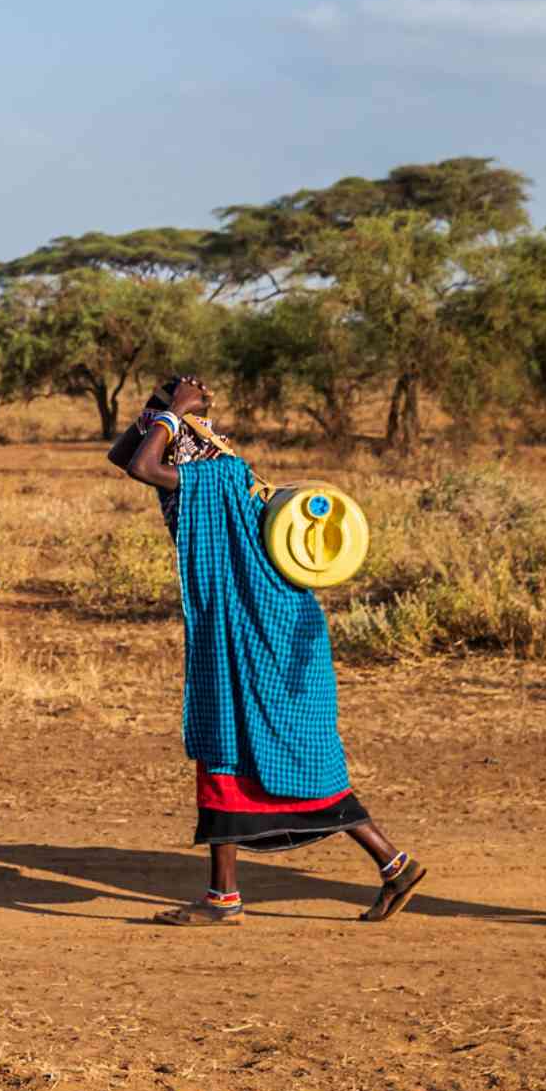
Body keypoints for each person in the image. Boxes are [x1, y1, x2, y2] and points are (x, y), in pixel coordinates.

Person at [109, 376, 427, 926]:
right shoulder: (205, 476)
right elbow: (126, 456)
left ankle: (233, 896)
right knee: (230, 747)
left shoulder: (217, 476)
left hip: (266, 633)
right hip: (242, 628)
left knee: (279, 754)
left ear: (186, 444)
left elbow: (141, 465)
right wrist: (165, 407)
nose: (154, 441)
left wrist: (178, 410)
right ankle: (383, 867)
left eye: (164, 431)